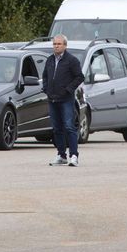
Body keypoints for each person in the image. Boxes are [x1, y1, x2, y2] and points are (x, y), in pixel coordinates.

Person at [42, 35, 84, 167]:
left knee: (69, 127)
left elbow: (79, 77)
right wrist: (46, 88)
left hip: (66, 99)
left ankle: (74, 155)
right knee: (56, 128)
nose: (56, 46)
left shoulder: (72, 60)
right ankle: (61, 155)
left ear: (65, 45)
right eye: (54, 44)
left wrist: (68, 89)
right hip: (52, 99)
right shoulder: (49, 60)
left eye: (59, 44)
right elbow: (45, 76)